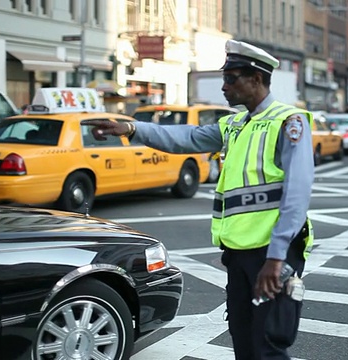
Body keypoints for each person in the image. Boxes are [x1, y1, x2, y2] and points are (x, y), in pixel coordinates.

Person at [83, 40, 314, 360]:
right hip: (239, 252)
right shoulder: (234, 124)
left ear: (257, 79)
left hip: (273, 252)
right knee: (244, 339)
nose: (224, 86)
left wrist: (276, 259)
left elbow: (297, 195)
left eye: (232, 78)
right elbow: (184, 138)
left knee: (269, 342)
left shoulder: (289, 122)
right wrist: (130, 128)